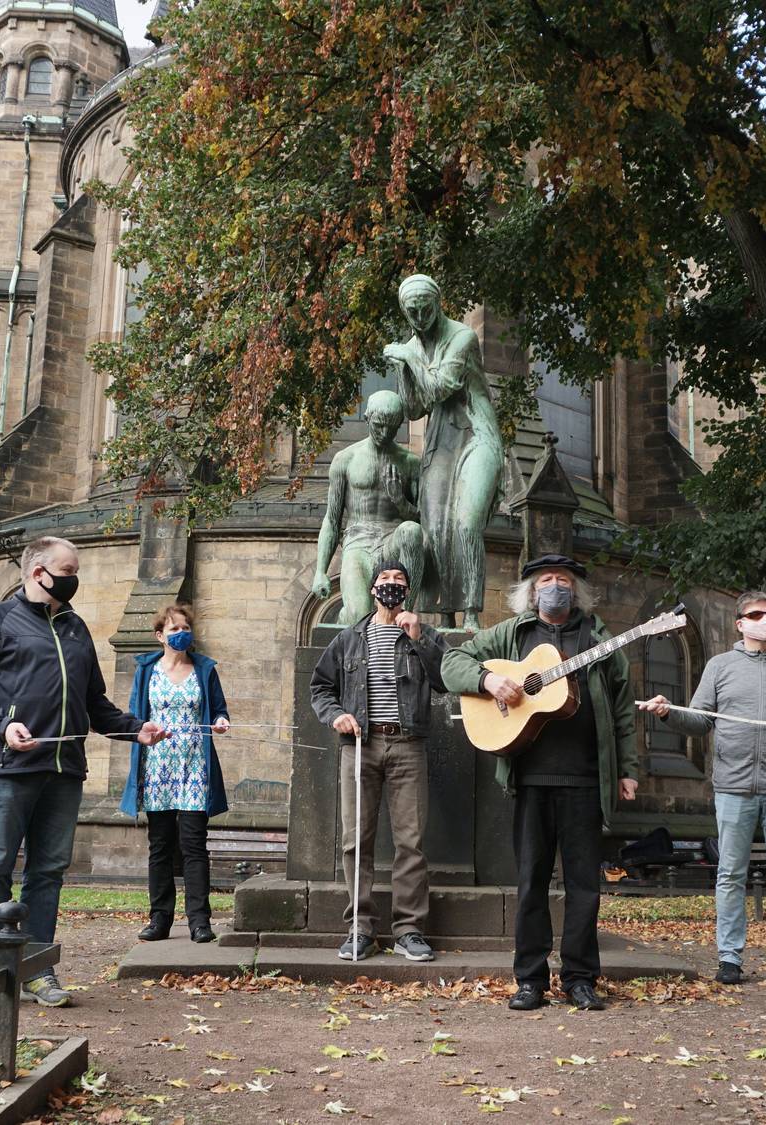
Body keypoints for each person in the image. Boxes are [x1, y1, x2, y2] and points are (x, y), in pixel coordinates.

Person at [0, 536, 164, 1006]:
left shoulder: (76, 628)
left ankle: (37, 969)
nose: (74, 579)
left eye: (76, 570)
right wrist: (3, 726)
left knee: (48, 872)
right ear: (37, 572)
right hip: (10, 768)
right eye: (67, 569)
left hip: (64, 771)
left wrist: (136, 730)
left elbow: (93, 704)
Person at [443, 553, 638, 1010]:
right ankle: (530, 979)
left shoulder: (599, 639)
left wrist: (627, 769)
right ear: (532, 592)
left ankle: (579, 979)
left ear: (577, 591)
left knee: (584, 886)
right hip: (530, 778)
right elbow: (452, 661)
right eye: (547, 580)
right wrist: (488, 679)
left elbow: (625, 708)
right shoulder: (512, 634)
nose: (555, 586)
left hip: (586, 779)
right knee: (530, 881)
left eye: (564, 580)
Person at [640, 590, 766, 987]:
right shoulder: (720, 667)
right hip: (733, 788)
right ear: (740, 623)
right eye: (756, 615)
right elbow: (699, 720)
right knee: (730, 874)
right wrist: (669, 712)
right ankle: (729, 958)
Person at [310, 558, 448, 962]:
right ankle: (360, 928)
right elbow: (320, 687)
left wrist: (420, 638)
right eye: (384, 579)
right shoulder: (350, 638)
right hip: (360, 746)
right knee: (356, 839)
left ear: (409, 590)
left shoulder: (426, 634)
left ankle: (409, 930)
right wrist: (336, 715)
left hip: (409, 745)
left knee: (411, 841)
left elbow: (444, 680)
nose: (391, 584)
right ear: (372, 590)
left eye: (399, 579)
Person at [383, 274, 501, 629]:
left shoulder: (462, 337)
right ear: (405, 312)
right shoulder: (414, 346)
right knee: (434, 530)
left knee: (466, 525)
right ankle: (446, 618)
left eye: (426, 309)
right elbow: (415, 407)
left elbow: (439, 388)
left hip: (476, 434)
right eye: (412, 312)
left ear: (438, 304)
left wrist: (407, 356)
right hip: (440, 441)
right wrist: (403, 367)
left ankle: (470, 616)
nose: (420, 318)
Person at [120, 604, 232, 944]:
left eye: (185, 628)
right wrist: (141, 729)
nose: (180, 633)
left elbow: (220, 709)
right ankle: (160, 919)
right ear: (160, 636)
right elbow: (134, 716)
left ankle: (199, 921)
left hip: (195, 766)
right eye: (173, 629)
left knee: (194, 845)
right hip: (157, 767)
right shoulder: (147, 671)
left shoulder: (204, 669)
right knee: (161, 846)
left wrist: (222, 721)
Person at [310, 389, 427, 623]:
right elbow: (332, 520)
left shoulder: (411, 463)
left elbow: (421, 520)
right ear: (367, 419)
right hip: (359, 542)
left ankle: (405, 613)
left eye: (392, 428)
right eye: (379, 425)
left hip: (391, 540)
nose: (385, 434)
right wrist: (320, 571)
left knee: (411, 531)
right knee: (359, 616)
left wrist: (399, 500)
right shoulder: (345, 459)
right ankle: (347, 616)